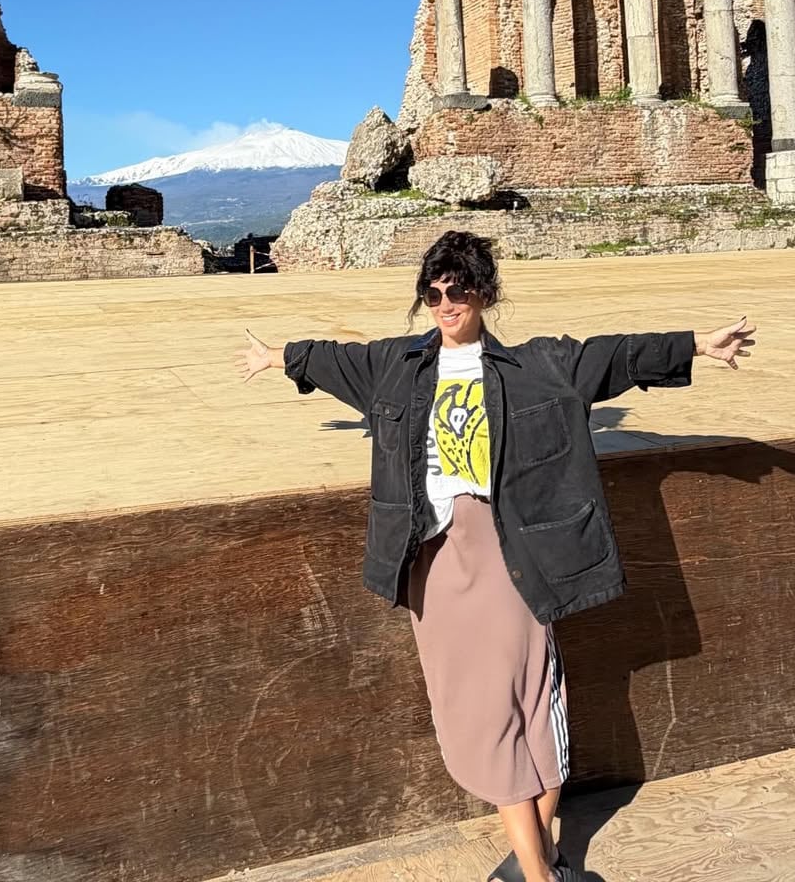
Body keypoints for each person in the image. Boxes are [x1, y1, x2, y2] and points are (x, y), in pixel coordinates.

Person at [237, 230, 755, 882]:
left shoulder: (538, 365)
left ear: (483, 293)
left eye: (457, 290)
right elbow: (332, 358)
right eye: (433, 294)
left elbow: (614, 356)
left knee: (534, 700)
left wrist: (699, 344)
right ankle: (542, 865)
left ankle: (533, 869)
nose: (445, 304)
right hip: (433, 561)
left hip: (511, 553)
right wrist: (276, 356)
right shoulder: (394, 366)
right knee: (476, 707)